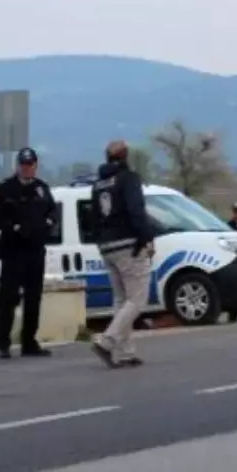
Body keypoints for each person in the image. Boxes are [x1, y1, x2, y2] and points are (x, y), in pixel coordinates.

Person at [89, 140, 153, 368]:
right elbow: (136, 210)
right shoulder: (128, 178)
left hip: (107, 245)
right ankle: (107, 341)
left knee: (121, 298)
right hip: (127, 243)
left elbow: (94, 217)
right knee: (137, 299)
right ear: (125, 156)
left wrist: (100, 240)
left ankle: (125, 352)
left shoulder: (97, 184)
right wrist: (146, 237)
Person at [0, 147, 57, 359]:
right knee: (8, 298)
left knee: (33, 298)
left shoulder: (42, 189)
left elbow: (53, 213)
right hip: (13, 250)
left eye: (30, 165)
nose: (27, 168)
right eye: (23, 165)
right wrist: (13, 228)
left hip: (35, 250)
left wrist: (47, 225)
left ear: (36, 166)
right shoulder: (5, 188)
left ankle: (29, 341)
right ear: (18, 165)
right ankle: (3, 342)